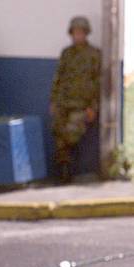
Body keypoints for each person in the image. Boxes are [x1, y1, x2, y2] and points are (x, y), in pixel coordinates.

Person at [50, 16, 101, 182]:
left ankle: (68, 167)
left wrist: (93, 107)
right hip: (63, 103)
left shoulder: (94, 55)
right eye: (75, 32)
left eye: (81, 32)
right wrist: (54, 101)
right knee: (58, 134)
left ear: (86, 33)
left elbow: (98, 82)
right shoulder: (66, 53)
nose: (78, 36)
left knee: (71, 134)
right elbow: (58, 78)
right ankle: (64, 171)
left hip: (82, 105)